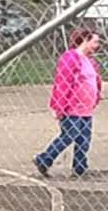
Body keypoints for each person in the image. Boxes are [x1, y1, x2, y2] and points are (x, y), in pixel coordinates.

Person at [34, 27, 103, 178]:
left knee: (84, 140)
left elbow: (95, 81)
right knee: (69, 135)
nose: (98, 45)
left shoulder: (90, 61)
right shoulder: (70, 58)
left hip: (86, 108)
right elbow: (62, 83)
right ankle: (44, 159)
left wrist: (96, 97)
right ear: (85, 40)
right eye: (95, 42)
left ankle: (80, 168)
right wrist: (58, 107)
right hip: (72, 108)